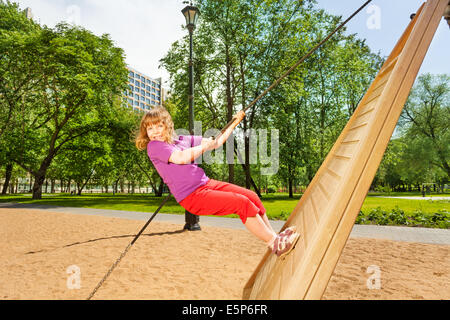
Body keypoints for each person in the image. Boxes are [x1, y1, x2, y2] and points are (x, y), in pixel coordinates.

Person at [135, 105, 299, 257]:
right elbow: (181, 158)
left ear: (168, 125)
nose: (154, 132)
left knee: (251, 196)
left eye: (159, 126)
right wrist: (203, 147)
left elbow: (217, 141)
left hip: (205, 183)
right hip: (192, 196)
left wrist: (235, 122)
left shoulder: (183, 140)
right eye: (150, 128)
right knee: (241, 203)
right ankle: (274, 242)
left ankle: (274, 238)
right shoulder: (154, 146)